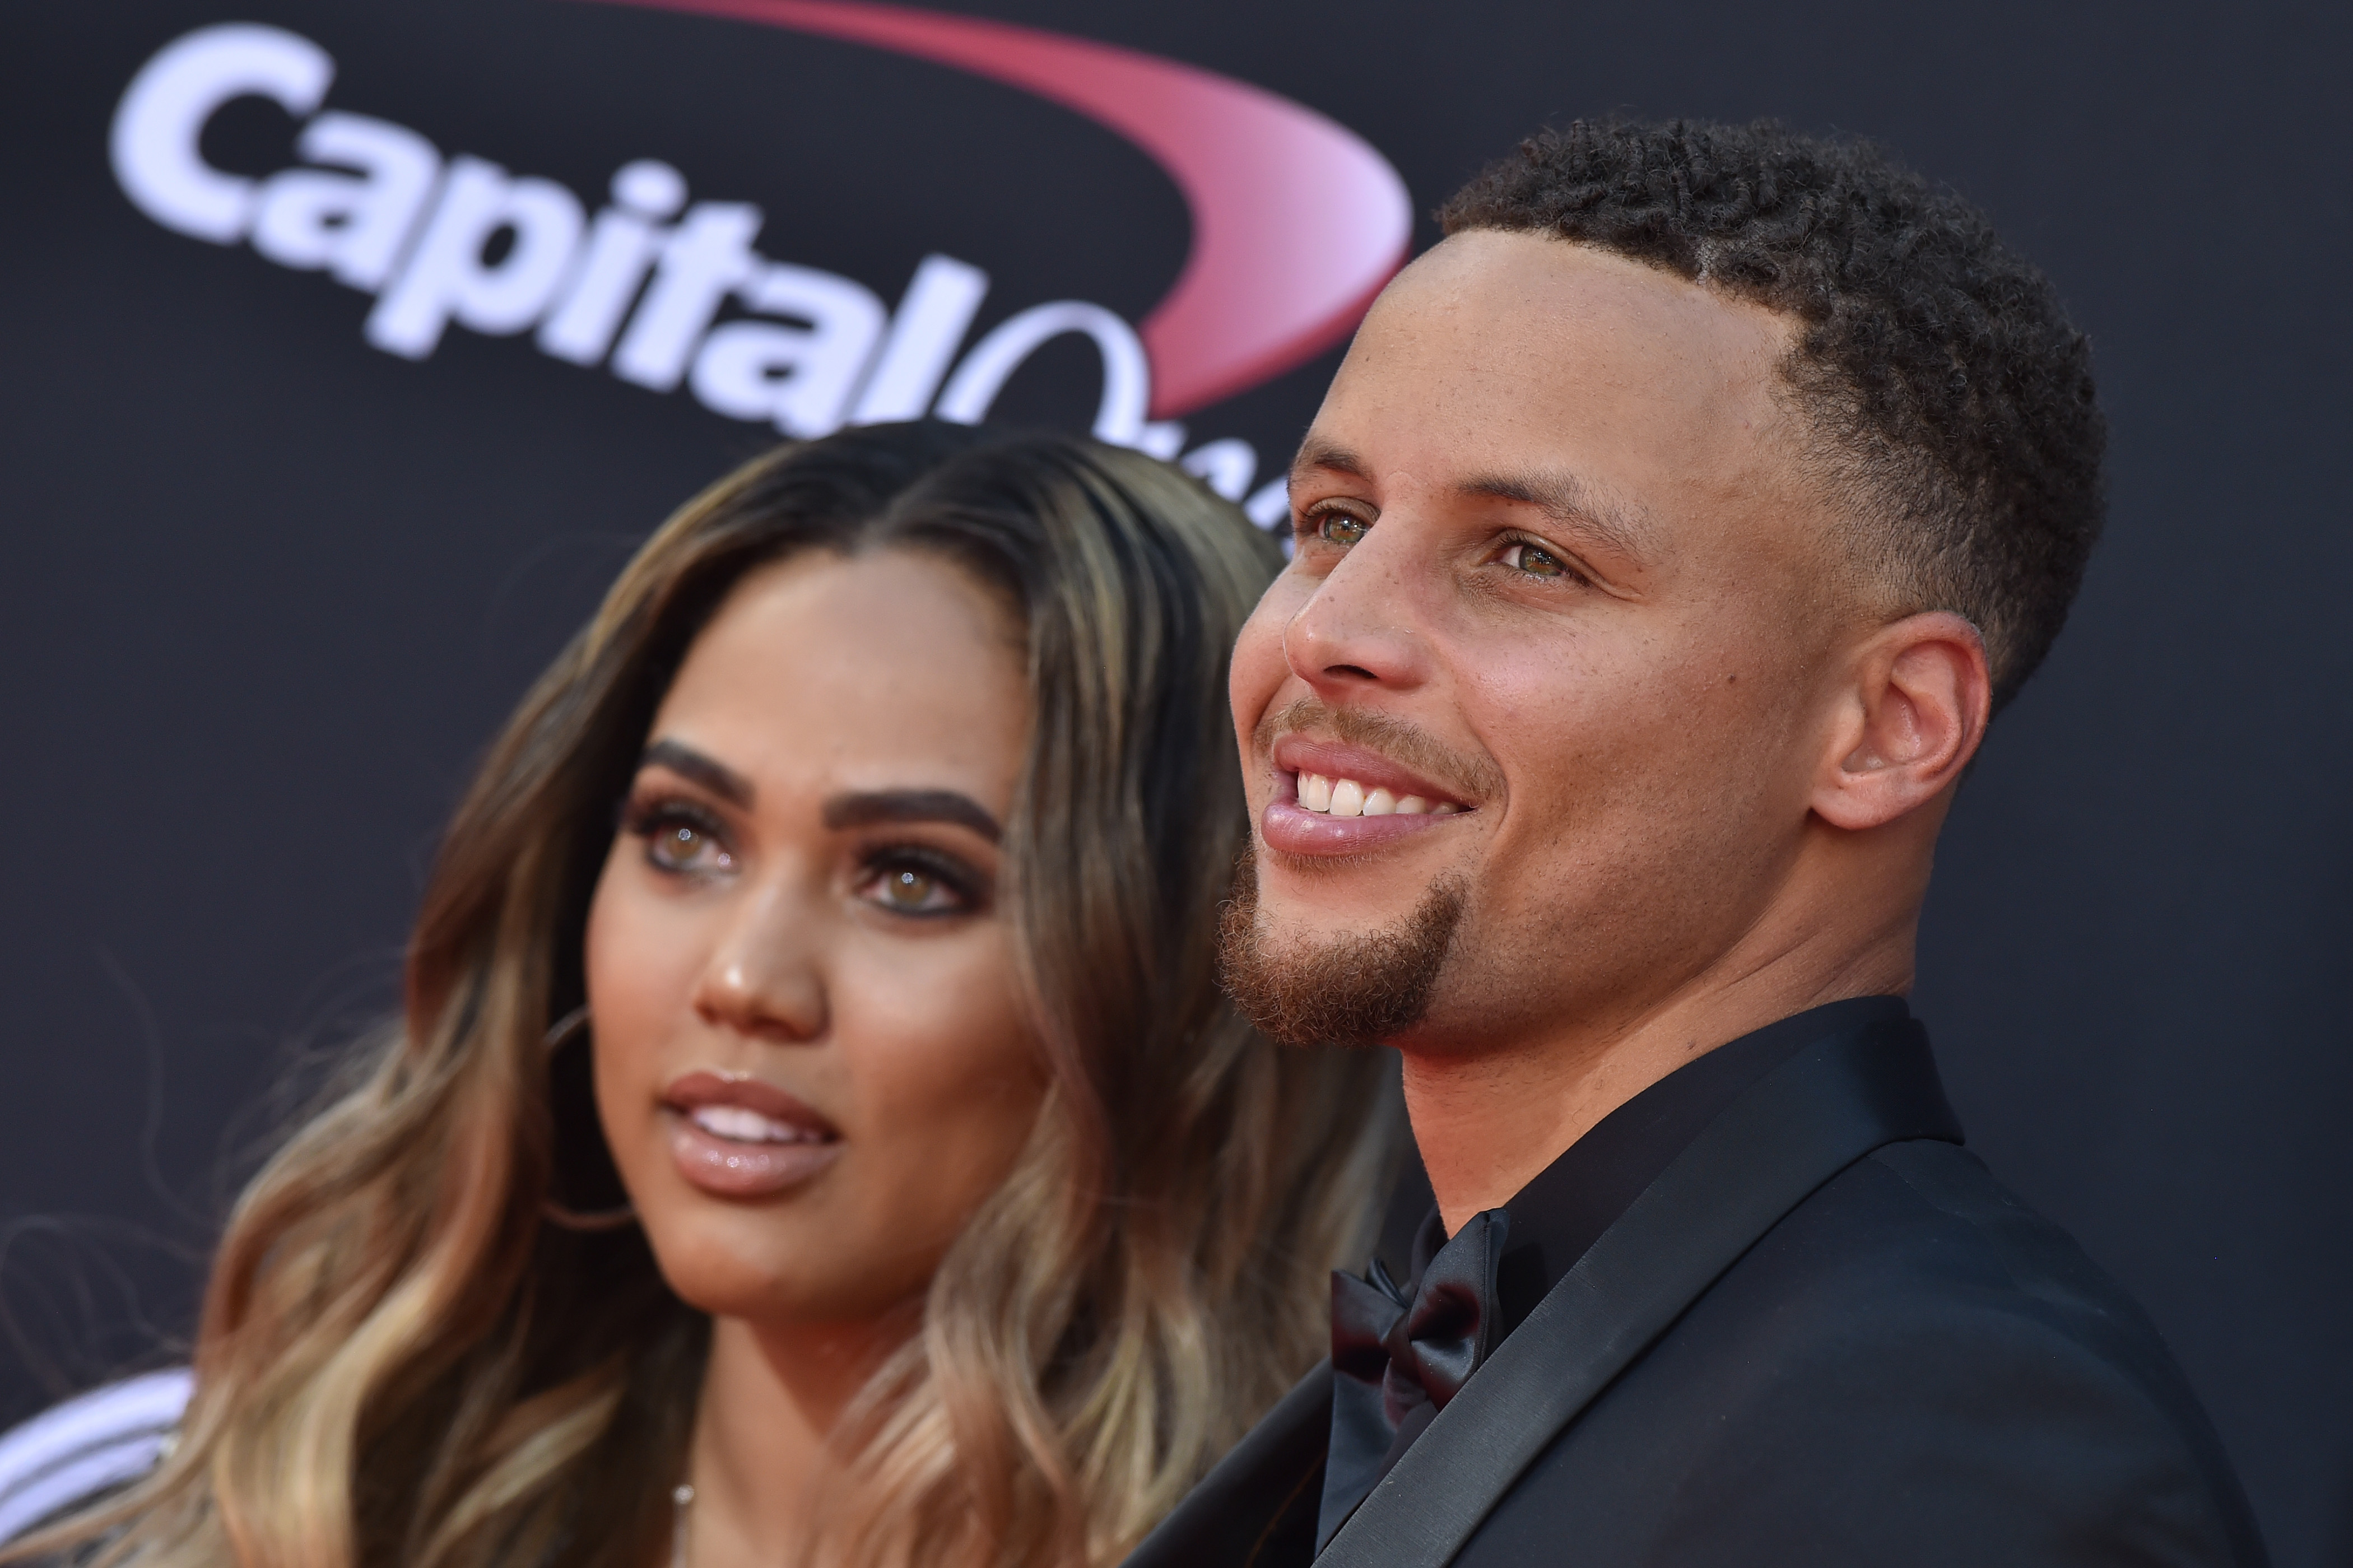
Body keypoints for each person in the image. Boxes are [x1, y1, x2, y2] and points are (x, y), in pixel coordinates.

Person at [1127, 119, 2267, 1567]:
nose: (1330, 630)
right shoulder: (1563, 1333)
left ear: (1888, 728)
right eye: (1334, 520)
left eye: (1528, 557)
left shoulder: (1942, 1452)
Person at [0, 422, 1396, 1568]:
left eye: (912, 878)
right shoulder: (285, 1518)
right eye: (685, 836)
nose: (743, 979)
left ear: (1181, 988)